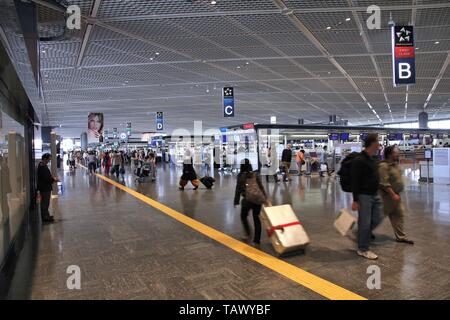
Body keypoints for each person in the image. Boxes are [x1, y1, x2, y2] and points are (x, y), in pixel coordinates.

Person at [351, 134, 384, 260]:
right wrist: (355, 200)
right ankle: (363, 248)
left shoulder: (374, 158)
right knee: (365, 222)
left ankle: (363, 235)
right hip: (363, 196)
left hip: (375, 194)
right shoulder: (359, 160)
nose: (379, 144)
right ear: (372, 143)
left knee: (378, 217)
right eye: (377, 141)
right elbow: (355, 181)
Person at [379, 146, 414, 245]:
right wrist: (392, 194)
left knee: (399, 215)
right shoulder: (383, 166)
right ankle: (364, 233)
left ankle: (401, 237)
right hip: (386, 197)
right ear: (390, 154)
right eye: (396, 152)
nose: (398, 154)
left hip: (396, 196)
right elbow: (384, 183)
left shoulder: (395, 165)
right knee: (377, 217)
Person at [234, 159, 269, 246]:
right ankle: (257, 240)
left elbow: (238, 189)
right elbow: (261, 186)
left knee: (243, 216)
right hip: (258, 199)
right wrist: (265, 198)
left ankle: (248, 233)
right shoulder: (255, 174)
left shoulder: (240, 176)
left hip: (248, 200)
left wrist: (236, 201)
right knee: (256, 218)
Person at [37, 153, 60, 224]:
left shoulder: (42, 166)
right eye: (48, 159)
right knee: (44, 203)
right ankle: (45, 217)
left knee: (46, 203)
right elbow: (46, 178)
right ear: (45, 159)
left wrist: (52, 179)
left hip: (45, 187)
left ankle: (47, 215)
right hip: (45, 187)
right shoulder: (42, 166)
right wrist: (53, 179)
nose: (49, 161)